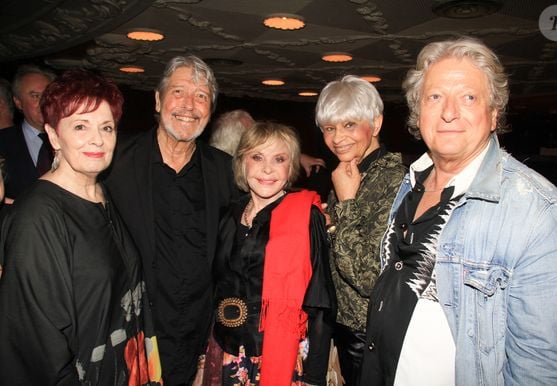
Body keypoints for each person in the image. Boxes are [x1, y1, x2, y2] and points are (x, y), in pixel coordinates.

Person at [361, 37, 557, 385]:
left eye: (468, 97)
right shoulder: (410, 181)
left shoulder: (539, 213)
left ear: (493, 114)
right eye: (435, 97)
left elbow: (540, 369)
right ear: (418, 113)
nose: (449, 112)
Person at [0, 69, 162, 384]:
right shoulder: (38, 218)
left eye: (106, 127)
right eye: (80, 126)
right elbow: (37, 352)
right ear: (53, 135)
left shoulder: (101, 194)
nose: (97, 139)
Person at [103, 55, 239, 385]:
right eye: (178, 91)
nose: (189, 106)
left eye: (201, 96)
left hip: (195, 337)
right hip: (130, 334)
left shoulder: (226, 171)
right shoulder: (114, 162)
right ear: (158, 98)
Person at [209, 121, 335, 385]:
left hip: (276, 355)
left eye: (279, 159)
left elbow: (321, 301)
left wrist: (315, 376)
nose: (267, 168)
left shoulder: (306, 216)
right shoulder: (228, 213)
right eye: (257, 157)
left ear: (291, 167)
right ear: (242, 162)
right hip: (223, 349)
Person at [315, 75, 406, 385]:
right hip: (342, 324)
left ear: (376, 124)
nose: (337, 137)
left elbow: (370, 277)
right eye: (329, 128)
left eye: (349, 125)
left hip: (370, 332)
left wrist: (348, 204)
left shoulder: (396, 181)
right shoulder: (349, 171)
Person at [210, 108, 327, 176]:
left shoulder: (215, 158)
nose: (259, 135)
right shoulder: (219, 173)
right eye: (254, 132)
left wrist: (298, 156)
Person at [0, 64, 56, 201]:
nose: (44, 102)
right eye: (35, 96)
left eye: (47, 95)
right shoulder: (2, 142)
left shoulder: (73, 139)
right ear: (18, 103)